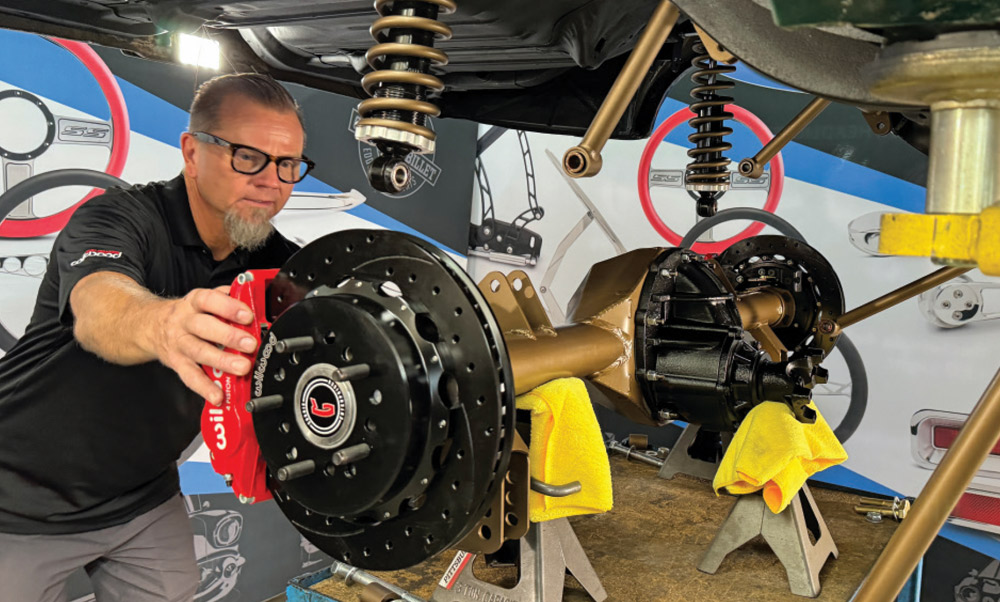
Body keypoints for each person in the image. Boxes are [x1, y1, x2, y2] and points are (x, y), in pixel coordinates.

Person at [0, 72, 313, 601]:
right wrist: (163, 325)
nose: (272, 181)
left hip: (143, 498)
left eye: (287, 165)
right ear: (192, 151)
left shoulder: (275, 263)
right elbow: (99, 305)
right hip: (19, 500)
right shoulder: (119, 217)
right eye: (249, 157)